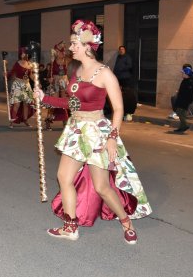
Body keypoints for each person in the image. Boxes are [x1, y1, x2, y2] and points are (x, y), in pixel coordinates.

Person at [33, 20, 152, 243]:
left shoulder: (105, 73)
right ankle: (71, 227)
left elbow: (118, 109)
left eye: (73, 43)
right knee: (63, 177)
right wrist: (44, 99)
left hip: (97, 132)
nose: (70, 48)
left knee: (102, 187)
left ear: (87, 45)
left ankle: (126, 222)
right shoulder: (77, 70)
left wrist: (112, 139)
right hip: (76, 131)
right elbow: (73, 104)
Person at [44, 41, 69, 130]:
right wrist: (49, 79)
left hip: (64, 81)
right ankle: (48, 121)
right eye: (59, 51)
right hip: (55, 82)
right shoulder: (53, 62)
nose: (61, 53)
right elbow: (48, 75)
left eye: (62, 51)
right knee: (53, 103)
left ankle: (65, 122)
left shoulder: (66, 60)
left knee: (64, 102)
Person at [8, 47, 35, 128]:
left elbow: (31, 75)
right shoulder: (18, 63)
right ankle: (12, 121)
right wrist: (6, 75)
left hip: (27, 85)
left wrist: (37, 82)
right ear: (20, 54)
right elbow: (12, 72)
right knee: (17, 104)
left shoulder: (30, 64)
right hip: (18, 84)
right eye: (23, 53)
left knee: (26, 104)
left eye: (26, 53)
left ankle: (25, 120)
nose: (24, 54)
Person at [170, 64, 193, 133]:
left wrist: (188, 100)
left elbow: (191, 93)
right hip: (181, 99)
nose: (182, 74)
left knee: (180, 112)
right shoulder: (185, 80)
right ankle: (181, 127)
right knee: (180, 112)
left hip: (184, 100)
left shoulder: (190, 82)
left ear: (186, 74)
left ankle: (185, 125)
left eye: (183, 73)